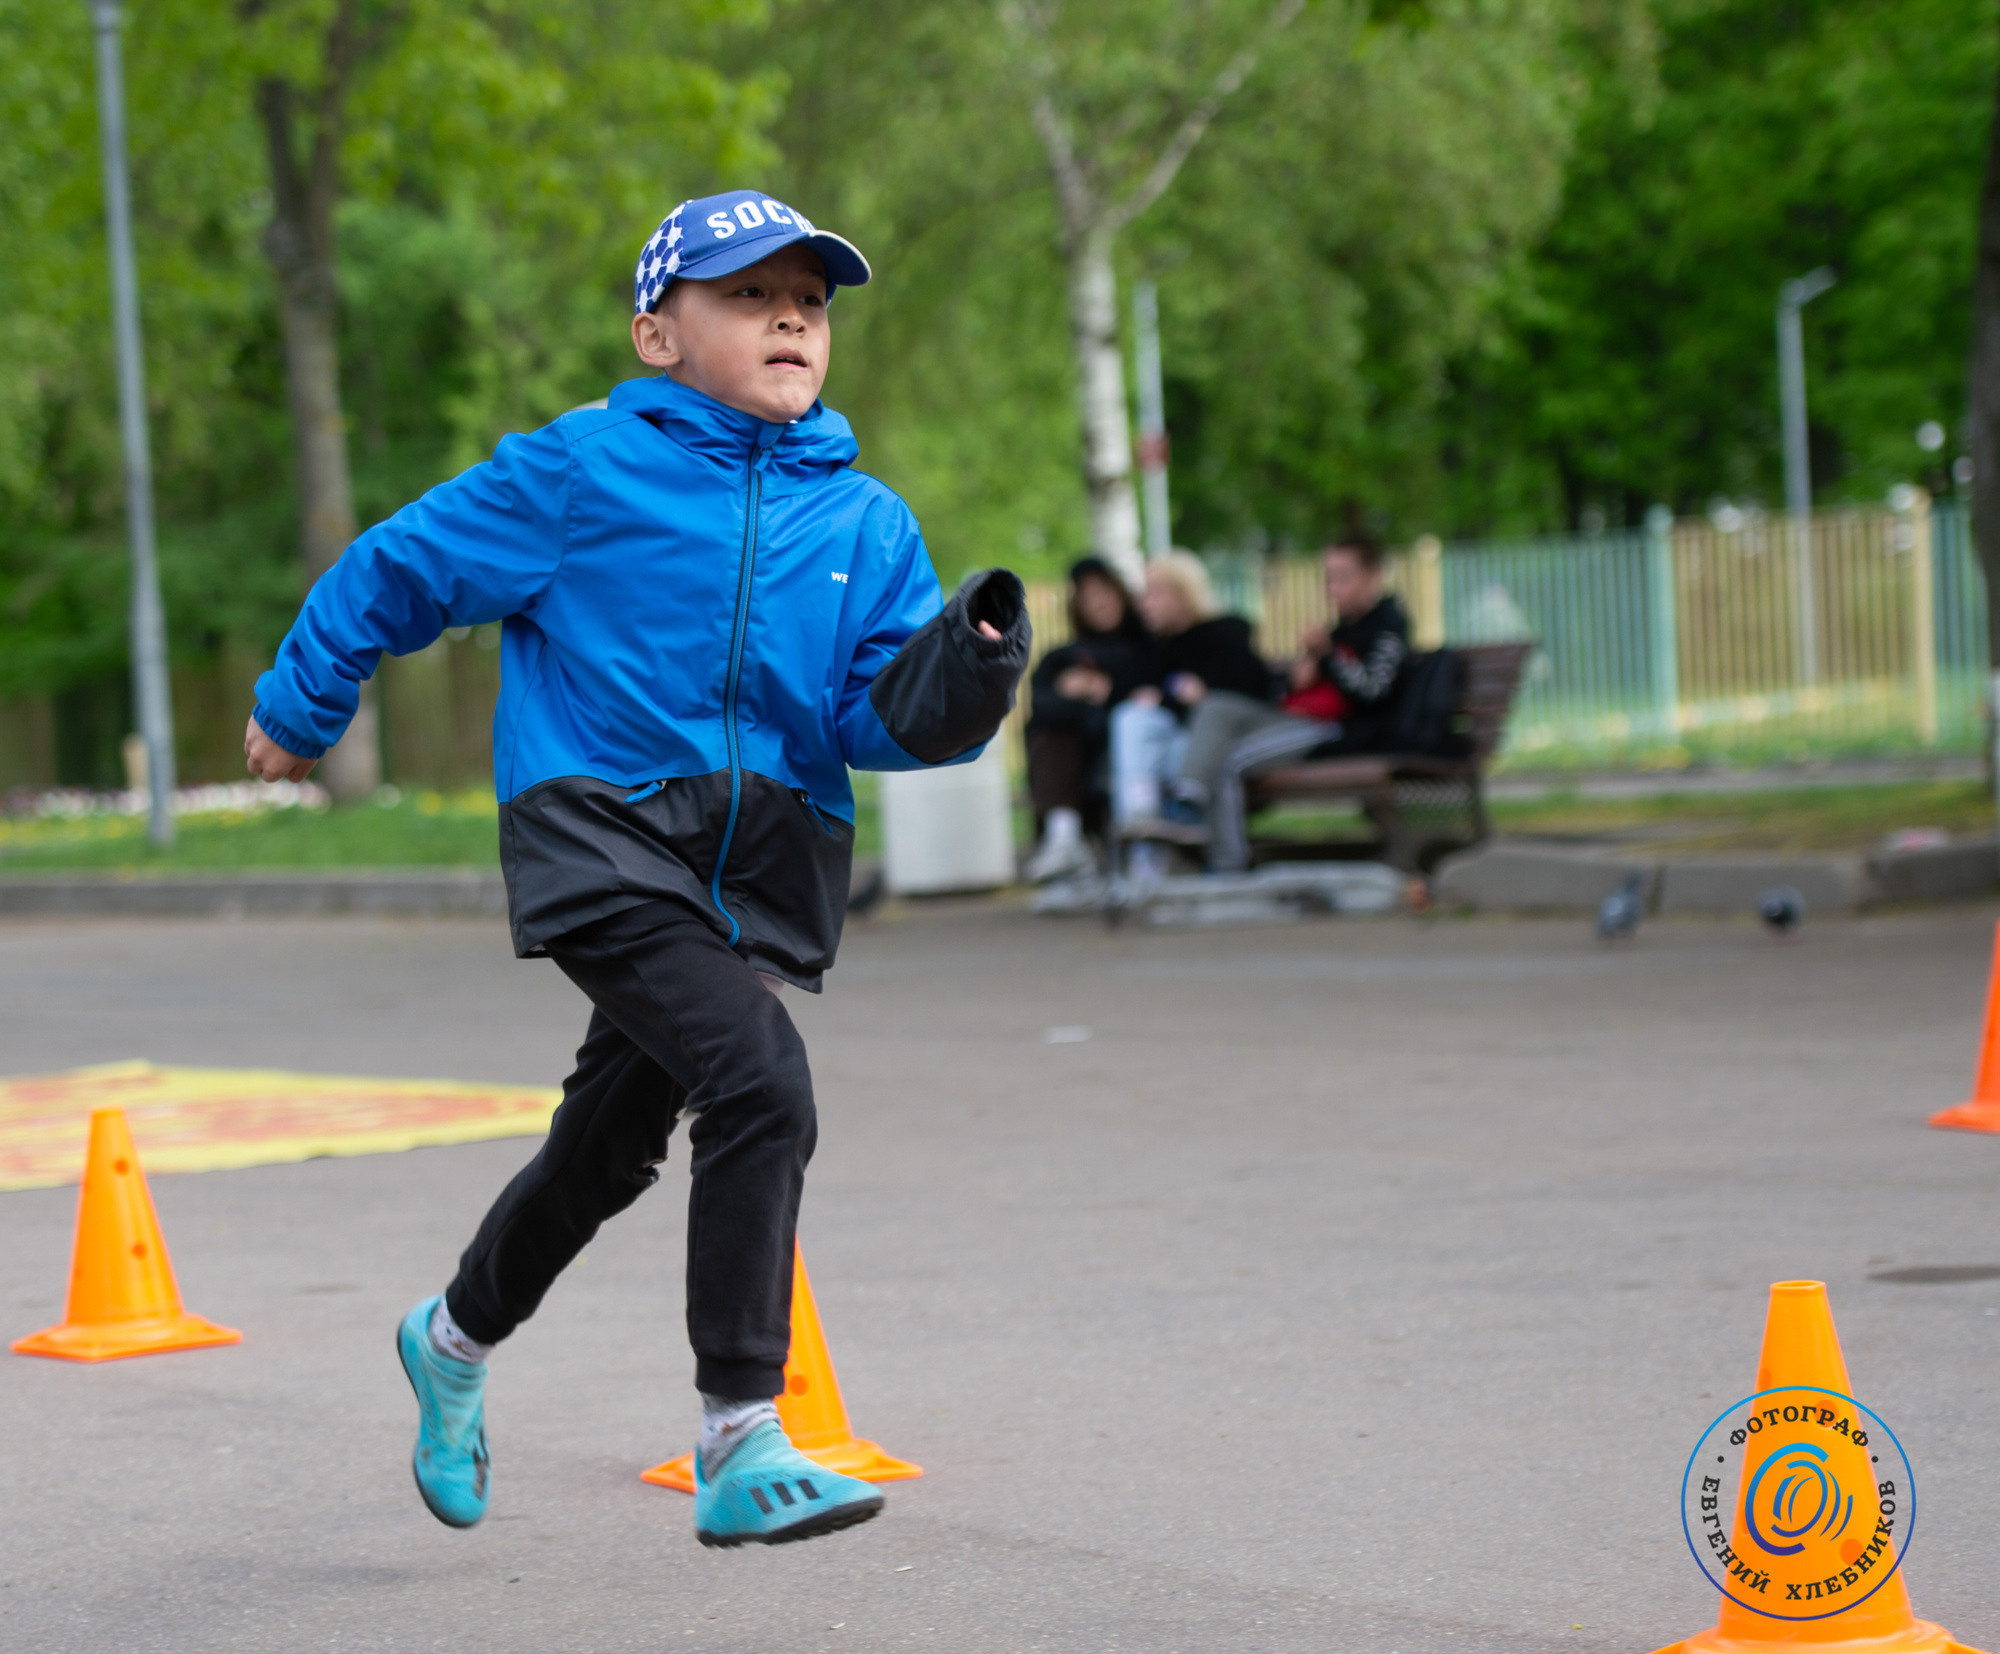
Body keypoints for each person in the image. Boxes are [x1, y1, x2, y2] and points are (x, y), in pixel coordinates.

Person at [241, 190, 1029, 1548]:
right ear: (658, 333)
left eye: (812, 299)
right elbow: (397, 568)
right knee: (761, 1078)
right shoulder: (579, 473)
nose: (792, 315)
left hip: (755, 873)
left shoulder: (866, 522)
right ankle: (739, 1430)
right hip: (601, 835)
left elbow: (872, 721)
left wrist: (969, 664)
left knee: (606, 1149)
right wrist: (304, 705)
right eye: (748, 294)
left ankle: (451, 1336)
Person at [1166, 534, 1410, 873]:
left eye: (1342, 576)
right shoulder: (1340, 629)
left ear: (1373, 576)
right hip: (1293, 717)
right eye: (1328, 578)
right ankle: (1188, 795)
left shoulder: (1388, 627)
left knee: (1228, 762)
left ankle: (1226, 863)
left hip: (1335, 730)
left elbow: (1371, 694)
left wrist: (1327, 656)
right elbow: (1294, 690)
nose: (1332, 587)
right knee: (1217, 706)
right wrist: (1298, 675)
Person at [1107, 552, 1272, 865]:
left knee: (1168, 749)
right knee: (1131, 719)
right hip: (1177, 743)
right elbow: (1151, 695)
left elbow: (1250, 696)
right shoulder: (1158, 646)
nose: (1145, 603)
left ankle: (1150, 848)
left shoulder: (1227, 633)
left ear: (1183, 593)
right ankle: (1142, 823)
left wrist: (1198, 696)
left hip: (1228, 743)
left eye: (1154, 592)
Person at [1023, 558, 1153, 884]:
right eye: (1087, 595)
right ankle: (1065, 842)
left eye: (1104, 591)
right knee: (1054, 733)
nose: (1098, 602)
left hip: (1124, 755)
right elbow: (1039, 708)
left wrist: (1107, 693)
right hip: (1075, 754)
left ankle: (1065, 841)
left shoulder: (1150, 649)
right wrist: (1083, 697)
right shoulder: (1062, 657)